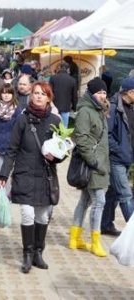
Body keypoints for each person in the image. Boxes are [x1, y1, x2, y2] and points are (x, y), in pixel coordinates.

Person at [0, 81, 62, 273]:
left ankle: (38, 253)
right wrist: (4, 173)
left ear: (49, 98)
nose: (39, 96)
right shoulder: (22, 119)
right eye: (35, 93)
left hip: (45, 175)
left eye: (43, 94)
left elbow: (62, 148)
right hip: (25, 173)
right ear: (31, 96)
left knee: (43, 215)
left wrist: (57, 156)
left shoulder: (55, 121)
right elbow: (12, 149)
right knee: (27, 212)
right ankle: (27, 254)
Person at [68, 77, 110, 257]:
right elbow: (82, 139)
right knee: (99, 201)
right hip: (92, 164)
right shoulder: (86, 111)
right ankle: (95, 242)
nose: (103, 95)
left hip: (98, 163)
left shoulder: (98, 110)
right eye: (99, 92)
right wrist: (94, 162)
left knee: (85, 200)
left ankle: (74, 237)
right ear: (91, 93)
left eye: (105, 92)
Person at [101, 76, 134, 236]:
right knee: (125, 194)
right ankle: (133, 229)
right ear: (130, 92)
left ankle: (105, 224)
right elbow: (106, 135)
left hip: (127, 157)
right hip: (116, 159)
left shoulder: (131, 107)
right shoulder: (113, 107)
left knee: (113, 193)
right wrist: (119, 150)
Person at [0, 83, 21, 196]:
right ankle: (6, 193)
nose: (6, 95)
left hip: (12, 147)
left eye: (9, 93)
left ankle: (6, 195)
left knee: (9, 172)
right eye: (4, 93)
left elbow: (18, 130)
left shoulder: (17, 110)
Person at [49, 62, 78, 128]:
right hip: (66, 107)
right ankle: (62, 138)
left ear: (59, 68)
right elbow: (74, 96)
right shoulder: (72, 80)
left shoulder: (53, 78)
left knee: (53, 127)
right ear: (68, 69)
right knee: (64, 128)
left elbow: (49, 92)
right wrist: (74, 108)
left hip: (54, 106)